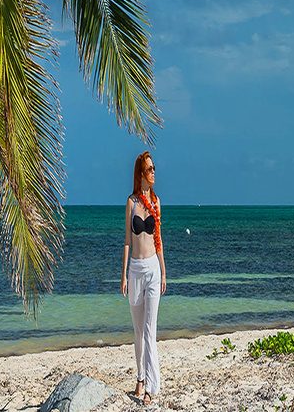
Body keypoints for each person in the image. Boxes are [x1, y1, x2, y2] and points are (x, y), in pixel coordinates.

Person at [120, 151, 166, 404]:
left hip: (152, 269)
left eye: (154, 168)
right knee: (138, 331)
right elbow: (128, 241)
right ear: (140, 174)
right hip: (135, 270)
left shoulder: (157, 203)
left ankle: (151, 385)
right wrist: (124, 274)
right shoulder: (131, 202)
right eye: (149, 169)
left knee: (150, 331)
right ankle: (140, 377)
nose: (153, 172)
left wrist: (163, 272)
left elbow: (158, 241)